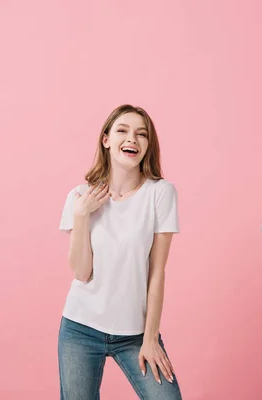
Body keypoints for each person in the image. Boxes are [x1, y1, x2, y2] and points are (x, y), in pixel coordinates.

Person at [58, 104, 182, 399]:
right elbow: (81, 272)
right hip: (80, 328)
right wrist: (81, 215)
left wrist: (150, 338)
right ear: (106, 140)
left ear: (148, 145)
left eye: (142, 135)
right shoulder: (79, 197)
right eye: (123, 131)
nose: (132, 140)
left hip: (136, 334)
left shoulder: (160, 193)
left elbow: (156, 272)